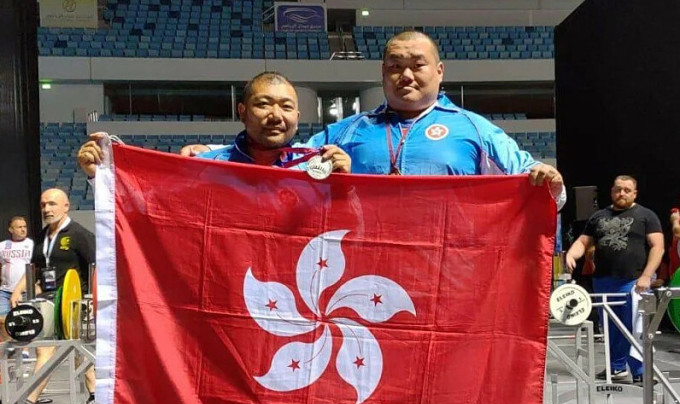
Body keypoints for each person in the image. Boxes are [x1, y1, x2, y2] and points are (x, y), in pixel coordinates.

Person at [184, 32, 565, 205]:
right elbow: (286, 157)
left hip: (448, 269)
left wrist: (551, 183)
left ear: (440, 71)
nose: (406, 75)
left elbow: (540, 186)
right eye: (395, 66)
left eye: (417, 65)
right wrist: (214, 150)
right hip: (368, 271)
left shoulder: (476, 129)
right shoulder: (350, 129)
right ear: (383, 73)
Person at [78, 72, 351, 175]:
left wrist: (345, 187)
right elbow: (151, 208)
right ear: (242, 112)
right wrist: (99, 175)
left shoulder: (318, 169)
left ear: (298, 118)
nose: (276, 115)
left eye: (286, 106)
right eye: (264, 104)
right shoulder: (208, 167)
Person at [565, 175, 664, 383]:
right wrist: (571, 254)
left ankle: (640, 372)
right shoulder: (598, 217)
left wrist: (647, 276)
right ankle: (616, 368)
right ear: (612, 191)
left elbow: (658, 246)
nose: (622, 193)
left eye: (627, 190)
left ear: (634, 193)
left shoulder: (647, 216)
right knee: (609, 327)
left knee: (636, 327)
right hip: (603, 281)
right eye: (618, 189)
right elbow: (583, 242)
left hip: (634, 281)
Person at [10, 189, 96, 404]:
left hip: (74, 303)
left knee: (74, 350)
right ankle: (94, 394)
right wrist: (18, 290)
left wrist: (92, 300)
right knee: (57, 349)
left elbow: (97, 267)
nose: (46, 209)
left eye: (52, 204)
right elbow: (36, 267)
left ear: (66, 206)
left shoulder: (79, 234)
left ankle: (29, 399)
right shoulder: (40, 236)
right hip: (46, 300)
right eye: (43, 205)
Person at [0, 216, 34, 337]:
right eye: (19, 227)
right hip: (5, 291)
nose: (23, 229)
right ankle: (8, 349)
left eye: (24, 226)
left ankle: (24, 351)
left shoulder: (31, 245)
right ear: (11, 229)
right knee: (3, 320)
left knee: (25, 320)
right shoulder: (3, 246)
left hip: (25, 291)